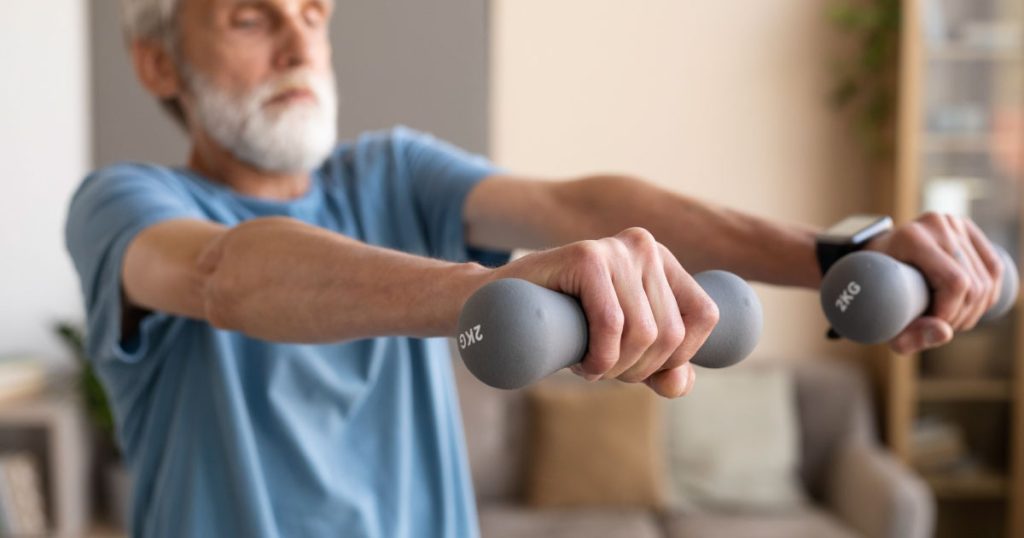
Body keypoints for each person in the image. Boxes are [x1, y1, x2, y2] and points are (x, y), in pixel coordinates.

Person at [65, 0, 1005, 536]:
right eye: (247, 16)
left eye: (313, 12)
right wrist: (486, 296)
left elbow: (577, 208)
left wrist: (839, 254)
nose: (298, 41)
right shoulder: (124, 202)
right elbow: (224, 274)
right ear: (157, 64)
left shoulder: (388, 171)